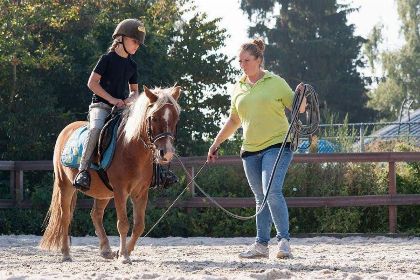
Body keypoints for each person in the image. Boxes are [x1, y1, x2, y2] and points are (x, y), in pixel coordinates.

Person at [207, 38, 306, 259]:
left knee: (272, 191)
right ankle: (261, 245)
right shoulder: (238, 87)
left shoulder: (275, 81)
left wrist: (302, 95)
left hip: (277, 145)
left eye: (247, 60)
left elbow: (298, 107)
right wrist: (216, 142)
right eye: (240, 61)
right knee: (260, 197)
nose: (242, 64)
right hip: (249, 149)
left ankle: (283, 241)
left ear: (259, 60)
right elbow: (234, 120)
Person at [73, 19, 145, 191]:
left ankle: (156, 171)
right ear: (121, 38)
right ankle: (82, 171)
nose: (137, 46)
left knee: (143, 128)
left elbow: (135, 92)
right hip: (101, 107)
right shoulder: (106, 59)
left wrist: (128, 101)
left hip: (123, 109)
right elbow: (92, 83)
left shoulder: (132, 65)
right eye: (135, 41)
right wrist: (112, 100)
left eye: (139, 43)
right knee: (96, 128)